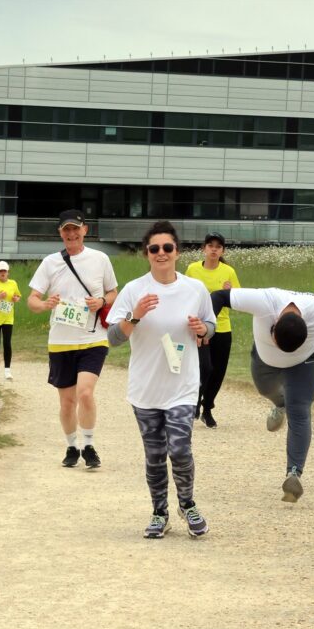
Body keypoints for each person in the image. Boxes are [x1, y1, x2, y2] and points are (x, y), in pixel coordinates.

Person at [210, 287, 314, 503]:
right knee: (264, 389)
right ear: (275, 322)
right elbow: (220, 296)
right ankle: (280, 404)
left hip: (305, 362)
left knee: (299, 410)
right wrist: (207, 327)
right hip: (265, 360)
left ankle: (294, 473)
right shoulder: (265, 301)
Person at [107, 221, 216, 538]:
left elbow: (210, 326)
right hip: (146, 389)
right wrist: (135, 315)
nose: (161, 253)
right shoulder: (134, 290)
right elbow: (113, 338)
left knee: (180, 449)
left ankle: (187, 504)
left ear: (177, 252)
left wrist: (203, 329)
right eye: (154, 248)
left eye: (167, 247)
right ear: (147, 253)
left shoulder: (195, 289)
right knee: (154, 455)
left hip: (182, 386)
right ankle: (159, 513)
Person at [27, 209, 118, 469]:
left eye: (75, 229)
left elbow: (113, 292)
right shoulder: (50, 262)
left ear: (85, 230)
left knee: (85, 393)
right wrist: (45, 304)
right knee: (67, 402)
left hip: (93, 339)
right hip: (61, 341)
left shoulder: (100, 259)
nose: (71, 234)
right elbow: (32, 300)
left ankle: (88, 445)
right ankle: (71, 446)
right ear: (60, 233)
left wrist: (101, 301)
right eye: (66, 229)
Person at [184, 232, 241, 429]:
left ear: (222, 251)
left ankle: (207, 408)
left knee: (218, 371)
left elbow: (238, 300)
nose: (214, 249)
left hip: (222, 328)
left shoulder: (229, 271)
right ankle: (194, 401)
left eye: (218, 246)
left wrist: (230, 291)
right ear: (204, 249)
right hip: (198, 327)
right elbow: (185, 297)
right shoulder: (192, 269)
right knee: (204, 367)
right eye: (210, 245)